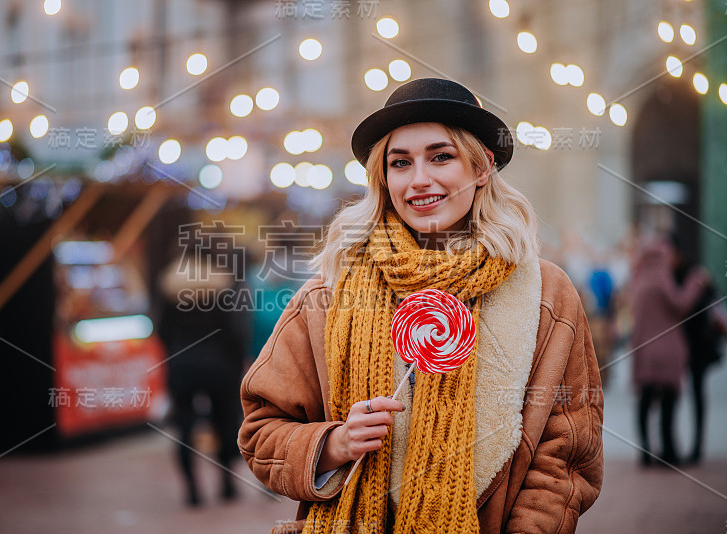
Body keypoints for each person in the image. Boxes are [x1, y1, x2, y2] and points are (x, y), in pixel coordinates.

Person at [239, 78, 603, 533]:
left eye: (441, 156)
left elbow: (566, 453)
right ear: (383, 178)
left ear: (482, 167)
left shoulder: (546, 293)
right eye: (400, 163)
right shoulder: (329, 294)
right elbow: (260, 432)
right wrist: (333, 444)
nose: (419, 180)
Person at [157, 240, 249, 505]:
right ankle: (227, 483)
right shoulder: (223, 284)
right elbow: (235, 329)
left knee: (184, 427)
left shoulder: (169, 285)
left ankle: (192, 489)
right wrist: (238, 359)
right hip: (220, 365)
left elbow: (161, 328)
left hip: (182, 364)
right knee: (225, 422)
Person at [630, 237, 709, 467]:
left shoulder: (639, 281)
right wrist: (696, 282)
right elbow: (681, 304)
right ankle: (668, 452)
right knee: (668, 401)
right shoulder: (661, 280)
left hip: (644, 349)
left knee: (645, 400)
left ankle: (645, 451)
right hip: (666, 350)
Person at [671, 236, 726, 464]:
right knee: (674, 394)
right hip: (682, 343)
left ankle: (696, 447)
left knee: (695, 393)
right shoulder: (676, 275)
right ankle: (675, 447)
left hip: (697, 344)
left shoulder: (694, 275)